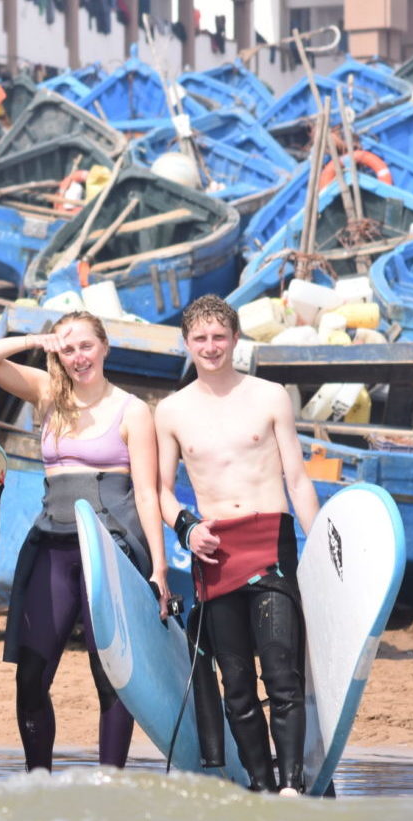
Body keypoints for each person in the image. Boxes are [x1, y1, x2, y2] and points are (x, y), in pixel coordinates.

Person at [0, 311, 168, 772]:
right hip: (51, 546)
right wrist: (40, 340)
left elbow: (146, 492)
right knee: (32, 676)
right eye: (68, 348)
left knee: (111, 676)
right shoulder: (48, 394)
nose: (78, 357)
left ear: (104, 347)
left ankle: (110, 779)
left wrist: (158, 568)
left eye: (86, 346)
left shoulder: (132, 410)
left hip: (110, 551)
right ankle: (38, 777)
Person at [155, 294, 319, 795]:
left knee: (281, 670)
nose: (211, 347)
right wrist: (186, 527)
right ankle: (261, 783)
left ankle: (291, 785)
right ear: (187, 343)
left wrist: (322, 546)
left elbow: (297, 476)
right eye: (200, 338)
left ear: (235, 339)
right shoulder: (171, 411)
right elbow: (160, 490)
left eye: (219, 337)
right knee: (237, 684)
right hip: (214, 550)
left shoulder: (270, 396)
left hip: (270, 539)